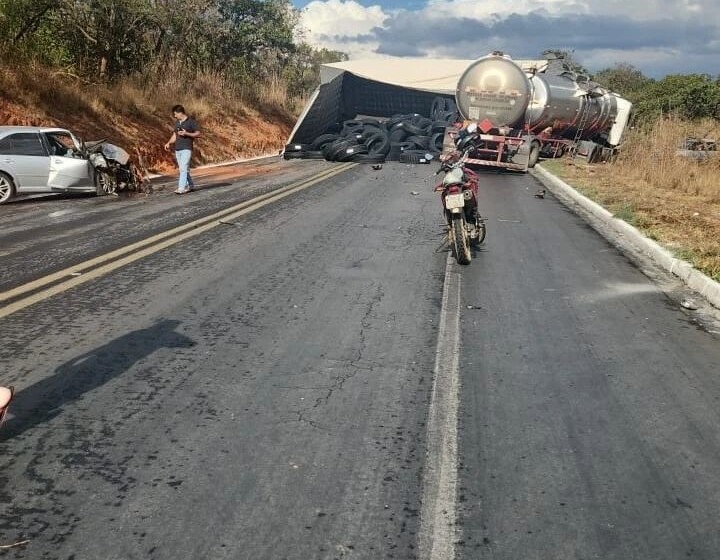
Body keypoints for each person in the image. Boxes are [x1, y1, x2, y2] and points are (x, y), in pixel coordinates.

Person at [164, 105, 201, 194]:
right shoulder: (177, 123)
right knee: (182, 168)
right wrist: (168, 143)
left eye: (175, 114)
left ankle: (181, 188)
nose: (175, 116)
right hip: (178, 149)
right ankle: (191, 185)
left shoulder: (191, 122)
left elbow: (198, 133)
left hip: (187, 148)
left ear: (180, 113)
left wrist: (186, 133)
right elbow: (174, 135)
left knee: (183, 168)